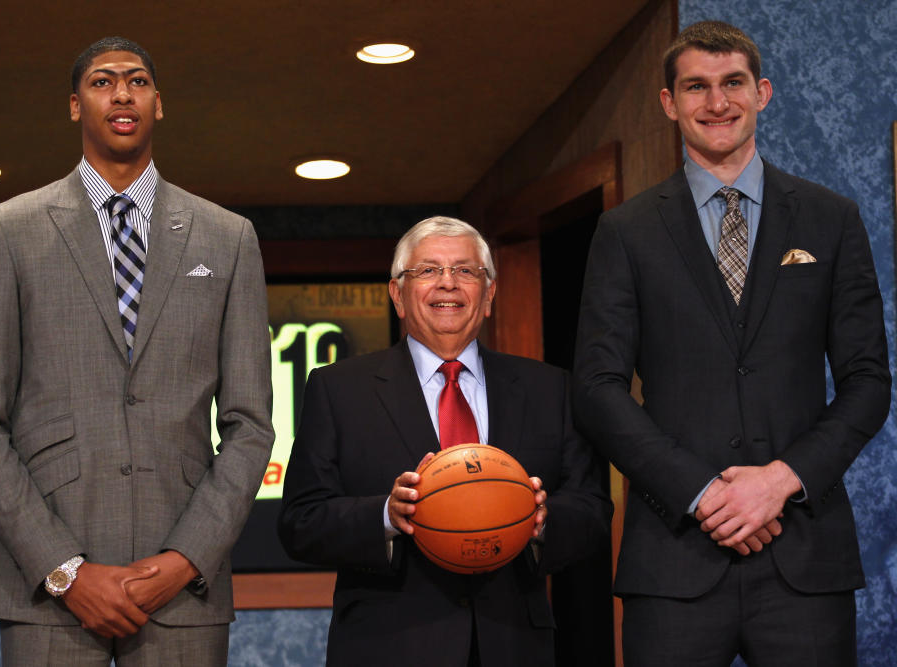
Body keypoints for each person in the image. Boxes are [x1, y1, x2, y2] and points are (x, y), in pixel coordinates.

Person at [572, 20, 891, 667]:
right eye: (696, 86)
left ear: (763, 91)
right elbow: (597, 389)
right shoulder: (625, 231)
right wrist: (705, 493)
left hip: (804, 555)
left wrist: (780, 480)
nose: (716, 103)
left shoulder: (831, 219)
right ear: (669, 102)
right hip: (673, 560)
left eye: (732, 83)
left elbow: (867, 381)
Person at [0, 37, 274, 665]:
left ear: (159, 105)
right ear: (75, 106)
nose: (122, 93)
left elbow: (250, 425)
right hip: (48, 595)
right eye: (102, 82)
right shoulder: (7, 230)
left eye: (138, 81)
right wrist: (63, 570)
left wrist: (186, 559)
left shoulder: (228, 237)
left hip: (185, 591)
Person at [278, 216, 611, 666]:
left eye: (466, 271)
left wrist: (539, 521)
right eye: (429, 270)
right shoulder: (338, 389)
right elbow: (301, 521)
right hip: (388, 647)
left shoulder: (549, 388)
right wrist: (387, 515)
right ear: (398, 294)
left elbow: (593, 509)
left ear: (489, 293)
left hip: (513, 646)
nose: (448, 284)